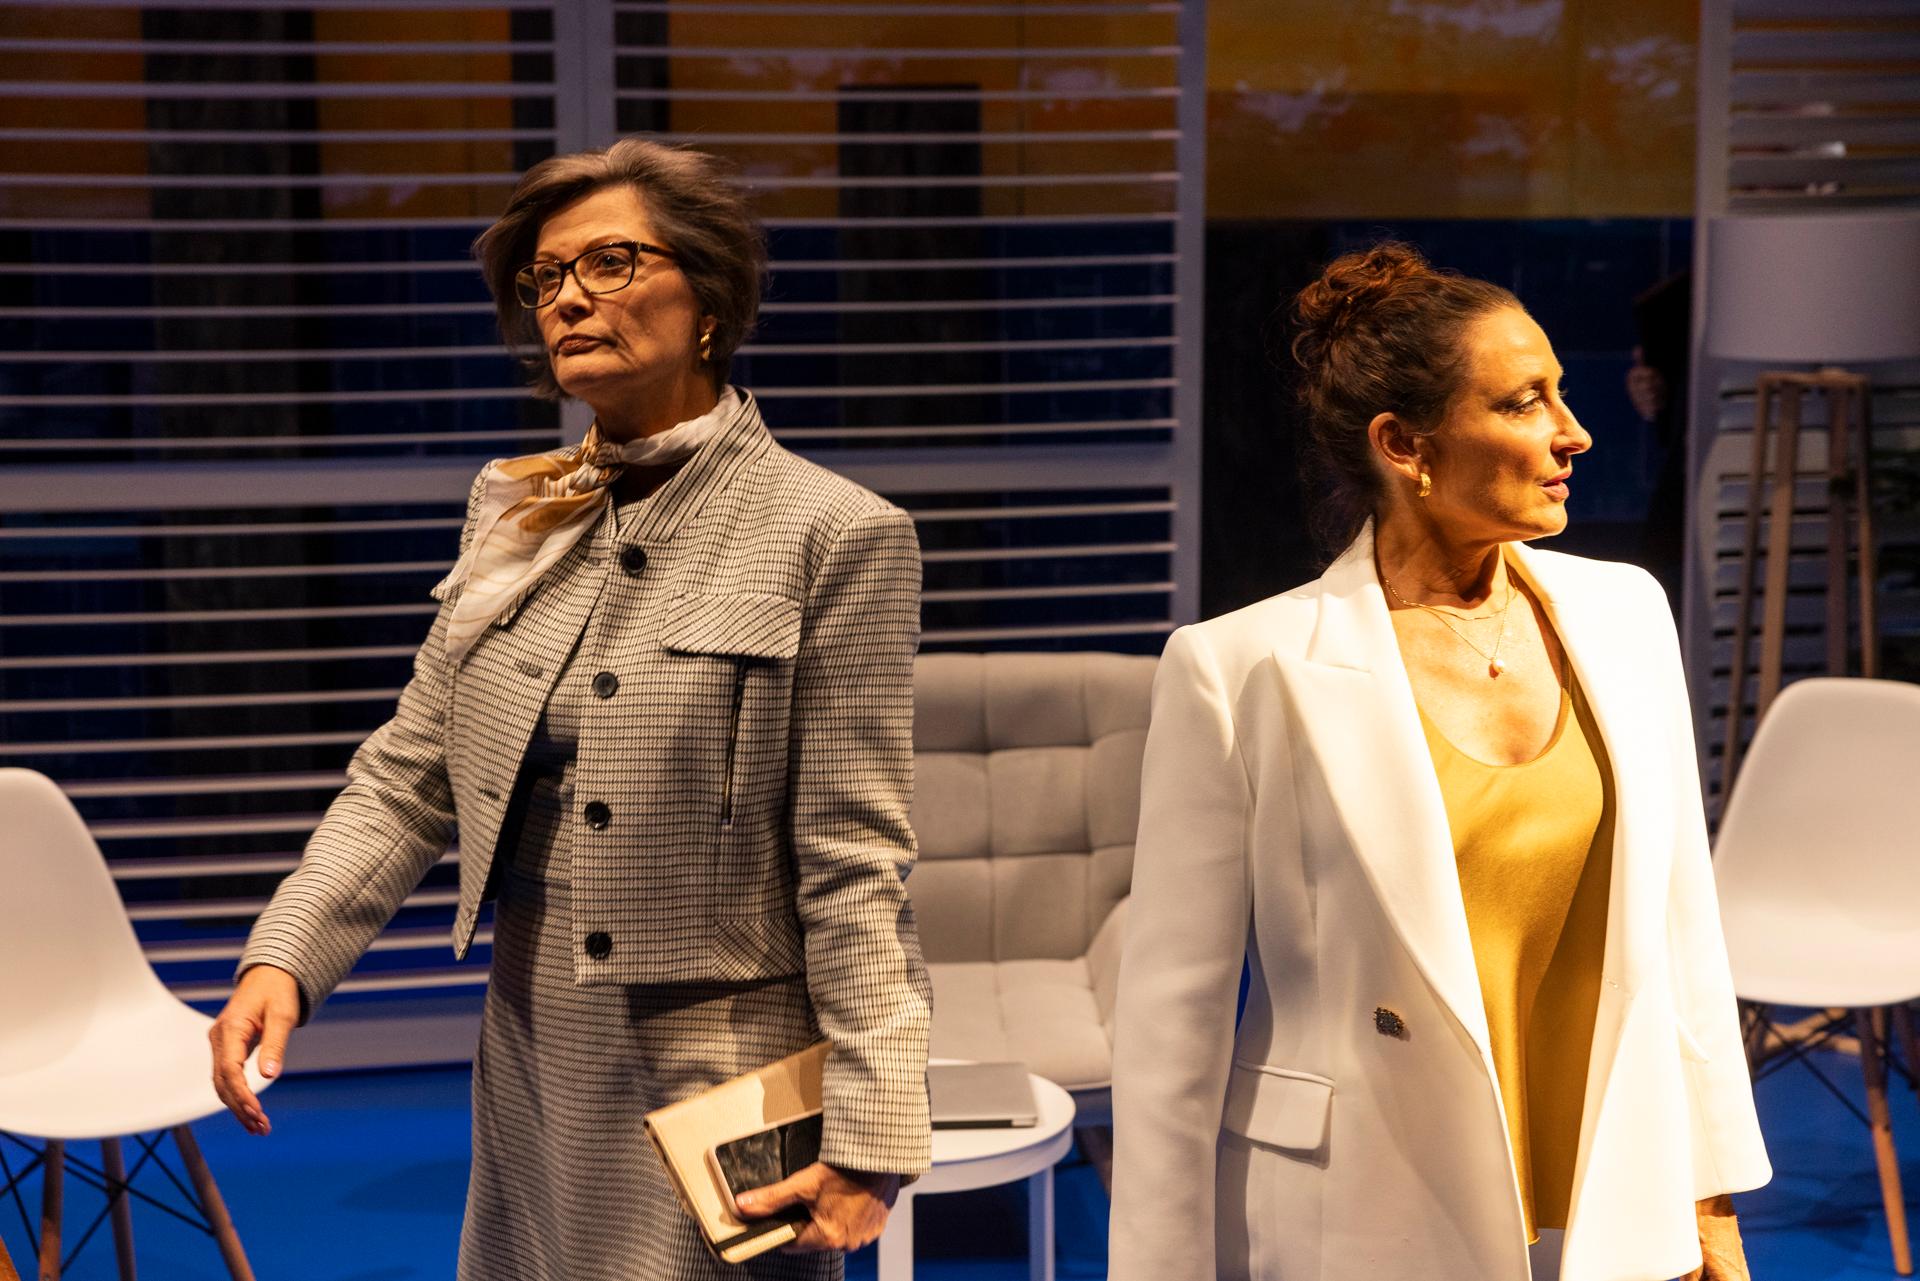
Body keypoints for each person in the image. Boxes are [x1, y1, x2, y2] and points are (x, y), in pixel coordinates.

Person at [207, 138, 932, 1281]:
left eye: (609, 263)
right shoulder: (520, 515)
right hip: (532, 1045)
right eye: (546, 277)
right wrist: (285, 958)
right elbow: (409, 775)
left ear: (709, 302)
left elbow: (854, 862)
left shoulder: (832, 533)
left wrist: (874, 1123)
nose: (567, 299)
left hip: (721, 1079)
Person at [1107, 243, 1769, 1281]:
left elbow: (1683, 930)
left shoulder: (1626, 615)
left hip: (1614, 1193)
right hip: (1360, 1209)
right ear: (1405, 445)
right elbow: (1171, 1025)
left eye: (1561, 393)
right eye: (1524, 402)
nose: (1574, 431)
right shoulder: (1240, 669)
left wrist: (1709, 1197)